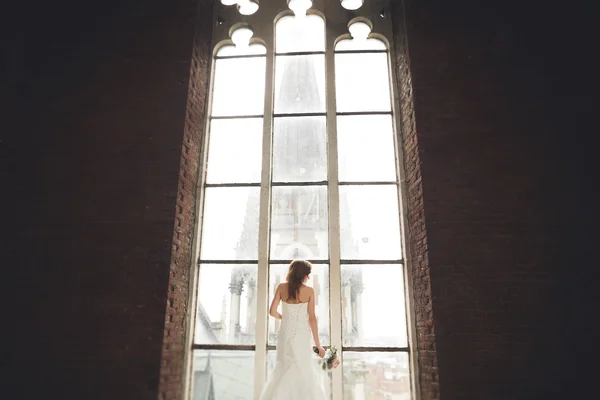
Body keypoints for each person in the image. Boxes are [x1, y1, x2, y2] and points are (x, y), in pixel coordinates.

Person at [259, 260, 329, 400]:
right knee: (304, 369)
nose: (309, 277)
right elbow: (312, 319)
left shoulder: (282, 287)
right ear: (303, 274)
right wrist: (318, 344)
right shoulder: (309, 291)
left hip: (285, 334)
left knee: (282, 367)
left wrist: (283, 317)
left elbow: (272, 311)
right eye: (308, 274)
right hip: (302, 335)